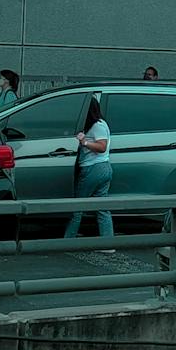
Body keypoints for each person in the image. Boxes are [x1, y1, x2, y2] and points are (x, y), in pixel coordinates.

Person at [64, 94, 113, 242]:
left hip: (93, 168)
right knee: (102, 208)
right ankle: (108, 242)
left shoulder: (97, 126)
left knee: (78, 206)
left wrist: (84, 142)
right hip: (104, 168)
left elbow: (102, 146)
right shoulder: (101, 123)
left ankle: (68, 240)